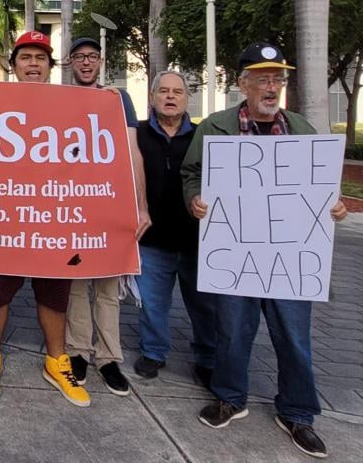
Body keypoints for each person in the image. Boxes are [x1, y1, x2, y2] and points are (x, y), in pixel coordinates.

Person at [182, 42, 349, 459]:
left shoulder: (301, 128)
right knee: (233, 330)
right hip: (236, 253)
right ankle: (230, 397)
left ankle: (297, 412)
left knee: (294, 336)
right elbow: (191, 173)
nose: (271, 86)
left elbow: (323, 184)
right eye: (262, 79)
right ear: (243, 84)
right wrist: (195, 200)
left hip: (290, 257)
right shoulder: (216, 127)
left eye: (277, 79)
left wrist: (336, 204)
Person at [0, 31, 88, 406]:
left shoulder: (74, 105)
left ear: (50, 66)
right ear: (14, 64)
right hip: (4, 219)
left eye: (40, 57)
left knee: (54, 295)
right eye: (26, 57)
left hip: (53, 219)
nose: (33, 63)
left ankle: (56, 362)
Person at [63, 36, 150, 397]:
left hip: (110, 202)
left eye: (92, 57)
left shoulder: (118, 99)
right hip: (70, 202)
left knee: (109, 287)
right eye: (80, 57)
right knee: (76, 283)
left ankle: (109, 357)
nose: (86, 63)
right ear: (70, 63)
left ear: (100, 62)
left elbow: (133, 153)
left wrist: (141, 205)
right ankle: (78, 351)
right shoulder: (60, 99)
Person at [135, 71, 215, 385]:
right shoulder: (136, 134)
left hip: (196, 241)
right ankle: (153, 353)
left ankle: (207, 359)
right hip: (152, 240)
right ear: (152, 97)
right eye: (163, 91)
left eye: (177, 92)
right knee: (153, 304)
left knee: (204, 306)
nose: (170, 97)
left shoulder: (203, 137)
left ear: (186, 98)